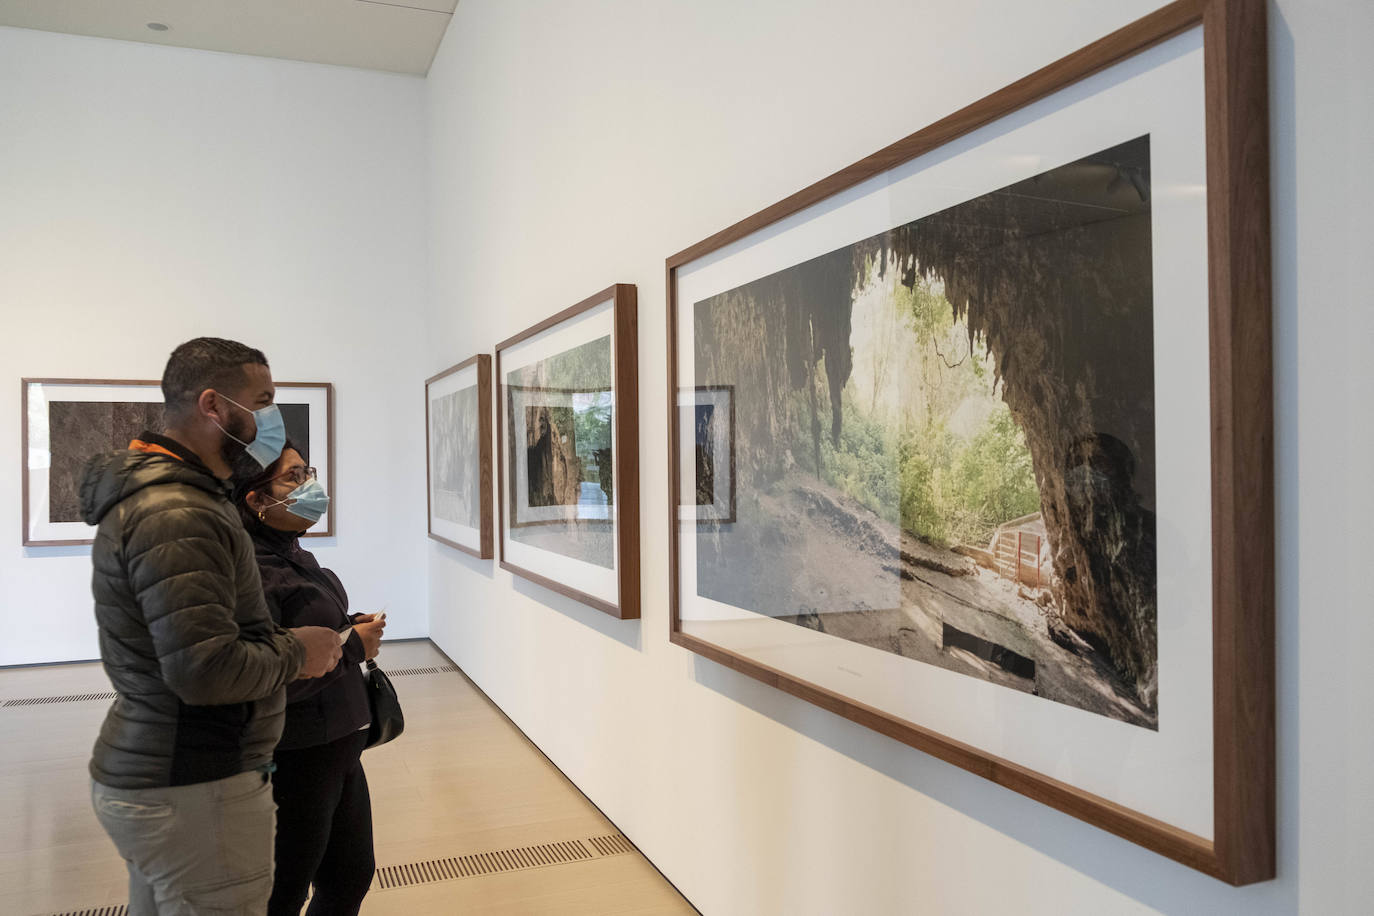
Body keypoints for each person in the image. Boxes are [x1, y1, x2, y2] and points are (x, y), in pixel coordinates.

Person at [81, 337, 344, 915]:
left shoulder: (184, 499)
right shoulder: (177, 512)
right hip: (192, 783)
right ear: (212, 405)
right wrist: (298, 651)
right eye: (263, 400)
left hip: (179, 773)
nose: (271, 418)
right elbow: (204, 668)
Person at [232, 444, 385, 915]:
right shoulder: (248, 571)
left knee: (350, 877)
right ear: (256, 500)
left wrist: (345, 628)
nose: (310, 487)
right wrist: (352, 646)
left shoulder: (294, 553)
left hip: (338, 747)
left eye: (308, 472)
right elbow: (261, 679)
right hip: (294, 758)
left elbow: (309, 637)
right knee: (283, 894)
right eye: (294, 477)